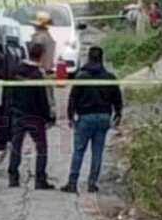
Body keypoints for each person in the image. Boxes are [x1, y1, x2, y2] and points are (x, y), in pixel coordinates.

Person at [61, 46, 122, 193]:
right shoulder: (110, 77)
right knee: (98, 151)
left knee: (79, 150)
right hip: (103, 117)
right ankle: (92, 183)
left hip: (85, 117)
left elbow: (73, 98)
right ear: (101, 58)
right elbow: (117, 99)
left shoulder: (81, 77)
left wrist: (70, 116)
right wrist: (118, 114)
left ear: (88, 58)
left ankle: (72, 182)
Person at [7, 43, 55, 190]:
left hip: (18, 114)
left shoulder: (16, 70)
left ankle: (13, 178)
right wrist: (48, 117)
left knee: (16, 147)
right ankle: (40, 180)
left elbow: (9, 93)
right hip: (35, 118)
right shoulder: (38, 75)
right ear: (41, 55)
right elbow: (43, 99)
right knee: (41, 149)